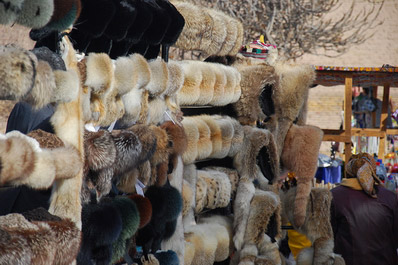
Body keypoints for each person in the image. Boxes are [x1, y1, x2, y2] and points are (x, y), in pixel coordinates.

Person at [330, 153, 398, 265]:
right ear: (373, 171)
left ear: (348, 171)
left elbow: (327, 238)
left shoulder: (334, 196)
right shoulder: (390, 197)